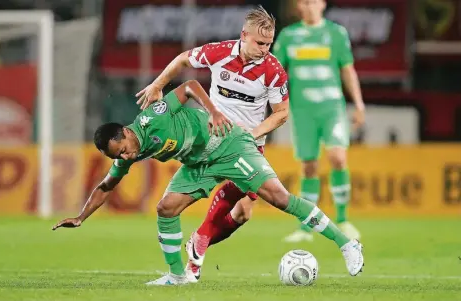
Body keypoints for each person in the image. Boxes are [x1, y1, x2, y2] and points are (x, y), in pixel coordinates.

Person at [52, 80, 364, 285]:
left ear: (126, 133)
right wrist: (81, 217)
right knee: (167, 207)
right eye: (119, 156)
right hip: (198, 163)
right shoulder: (126, 154)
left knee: (279, 198)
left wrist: (214, 111)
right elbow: (106, 185)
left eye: (124, 150)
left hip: (227, 144)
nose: (127, 157)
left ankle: (346, 243)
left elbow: (188, 87)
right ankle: (177, 276)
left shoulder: (153, 117)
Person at [135, 6, 289, 280]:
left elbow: (281, 113)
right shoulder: (220, 52)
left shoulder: (274, 70)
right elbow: (183, 59)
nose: (265, 49)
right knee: (180, 203)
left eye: (269, 43)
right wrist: (158, 84)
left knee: (242, 214)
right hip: (212, 138)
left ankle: (198, 239)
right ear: (244, 35)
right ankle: (198, 243)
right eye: (260, 42)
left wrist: (250, 136)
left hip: (248, 142)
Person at [272, 0, 365, 243]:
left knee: (337, 157)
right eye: (305, 2)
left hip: (332, 108)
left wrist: (359, 103)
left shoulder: (336, 33)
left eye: (314, 1)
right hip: (302, 111)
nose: (310, 6)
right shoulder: (289, 36)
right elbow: (275, 72)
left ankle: (343, 219)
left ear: (323, 4)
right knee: (309, 166)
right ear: (299, 7)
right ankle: (306, 228)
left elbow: (347, 69)